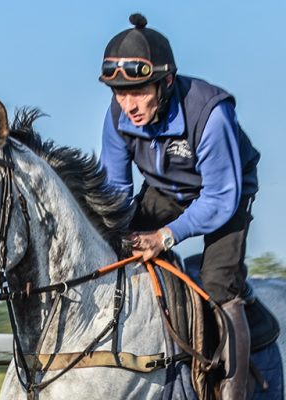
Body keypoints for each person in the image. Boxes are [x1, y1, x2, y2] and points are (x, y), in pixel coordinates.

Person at [98, 13, 260, 400]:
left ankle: (233, 391)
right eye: (120, 93)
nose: (129, 105)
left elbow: (220, 198)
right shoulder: (118, 116)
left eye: (138, 91)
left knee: (220, 289)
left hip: (225, 194)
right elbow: (117, 189)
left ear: (167, 82)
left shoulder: (212, 113)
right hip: (165, 190)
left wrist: (165, 237)